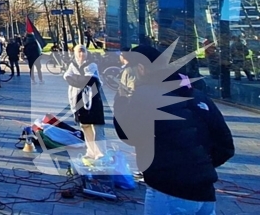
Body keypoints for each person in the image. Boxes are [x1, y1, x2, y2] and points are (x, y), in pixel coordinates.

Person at [115, 45, 234, 215]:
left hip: (169, 190)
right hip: (205, 191)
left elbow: (127, 135)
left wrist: (121, 99)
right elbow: (226, 146)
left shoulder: (144, 96)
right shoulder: (197, 95)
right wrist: (199, 166)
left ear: (141, 69)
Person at [63, 44, 106, 162]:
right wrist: (78, 80)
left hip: (93, 100)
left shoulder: (92, 65)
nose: (81, 55)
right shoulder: (72, 65)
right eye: (79, 52)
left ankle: (101, 153)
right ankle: (91, 152)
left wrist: (76, 79)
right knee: (85, 127)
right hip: (78, 99)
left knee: (97, 128)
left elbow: (88, 80)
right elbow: (67, 77)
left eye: (83, 52)